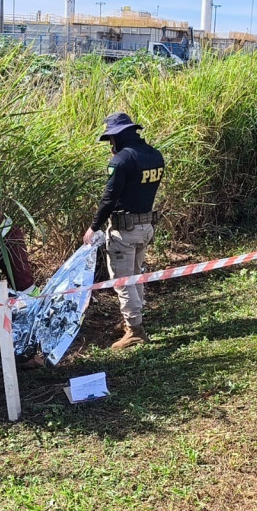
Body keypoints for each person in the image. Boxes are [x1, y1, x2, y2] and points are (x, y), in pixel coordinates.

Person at [82, 112, 165, 349]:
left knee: (122, 280)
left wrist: (93, 228)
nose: (110, 145)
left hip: (124, 232)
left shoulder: (121, 161)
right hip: (146, 226)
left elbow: (109, 199)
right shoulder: (154, 155)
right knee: (136, 274)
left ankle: (135, 329)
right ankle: (132, 319)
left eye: (111, 140)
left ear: (118, 137)